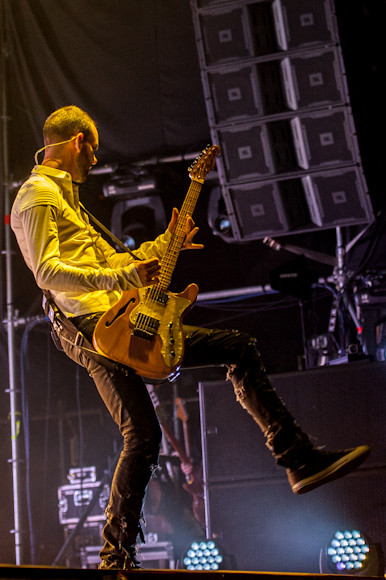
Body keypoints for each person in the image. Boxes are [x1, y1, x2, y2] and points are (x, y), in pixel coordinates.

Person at [11, 106, 370, 571]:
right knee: (142, 434)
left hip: (120, 318)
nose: (95, 160)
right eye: (93, 149)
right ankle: (114, 556)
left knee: (237, 347)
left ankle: (298, 457)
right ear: (78, 141)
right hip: (90, 332)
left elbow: (119, 264)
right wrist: (122, 280)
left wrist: (162, 247)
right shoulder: (38, 194)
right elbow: (47, 272)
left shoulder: (70, 201)